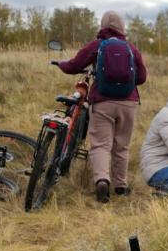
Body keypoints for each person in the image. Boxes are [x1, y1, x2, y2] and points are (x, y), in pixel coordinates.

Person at [55, 10, 146, 203]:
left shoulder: (98, 45)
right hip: (128, 103)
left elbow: (74, 65)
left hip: (103, 101)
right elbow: (142, 78)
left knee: (101, 145)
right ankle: (121, 186)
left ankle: (102, 180)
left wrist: (60, 64)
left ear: (103, 25)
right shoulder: (131, 48)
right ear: (122, 27)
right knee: (122, 145)